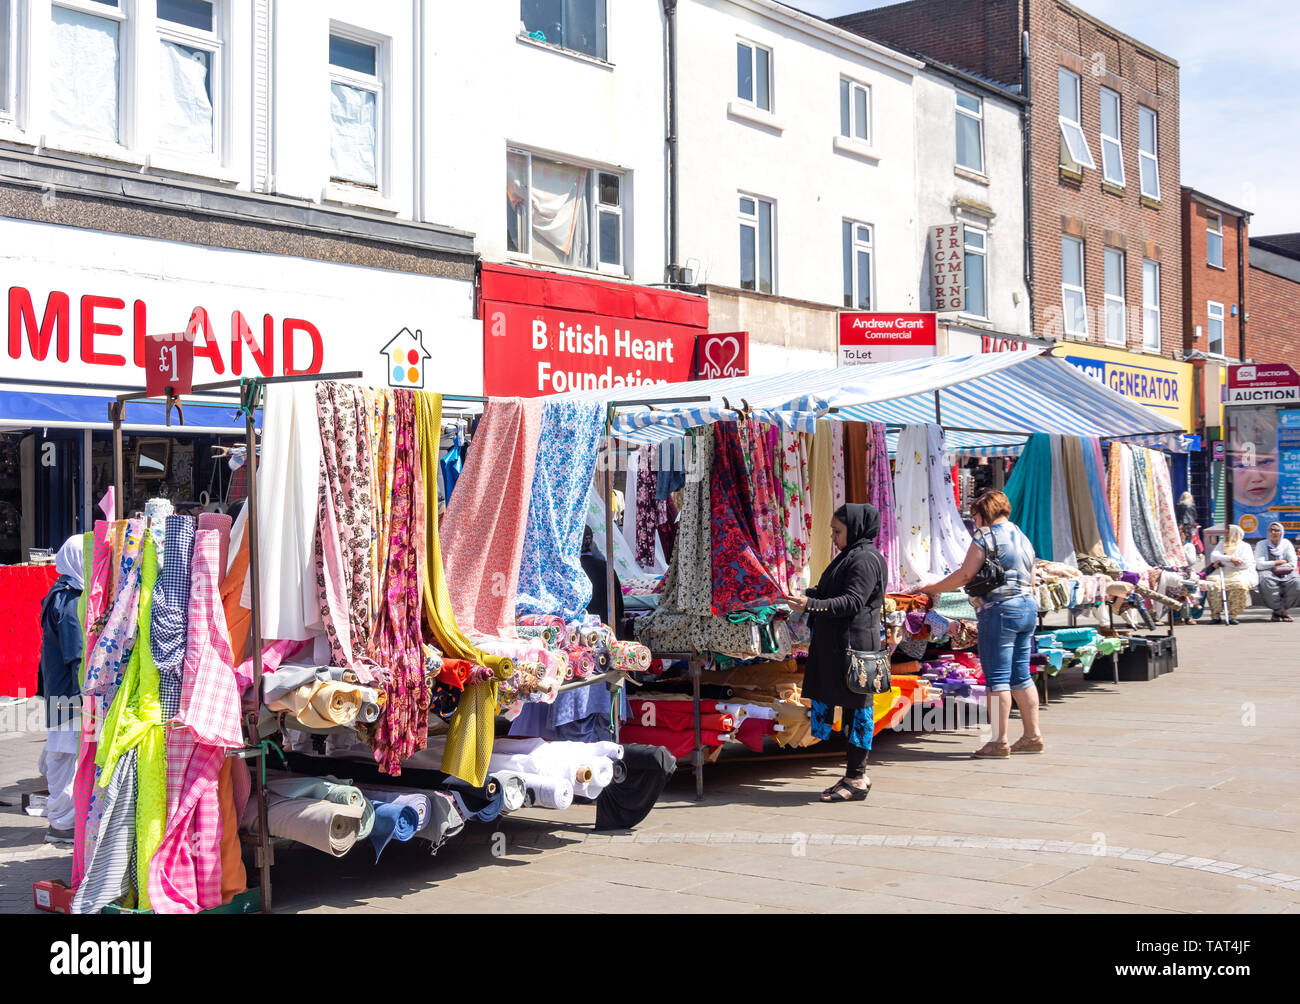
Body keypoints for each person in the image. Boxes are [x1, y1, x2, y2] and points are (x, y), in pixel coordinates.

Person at [920, 490, 1043, 758]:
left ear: (983, 512)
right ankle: (1032, 736)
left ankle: (998, 741)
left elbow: (965, 574)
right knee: (1021, 675)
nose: (974, 521)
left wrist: (932, 587)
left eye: (974, 515)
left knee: (997, 678)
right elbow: (1031, 579)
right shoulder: (1022, 537)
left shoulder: (986, 536)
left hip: (999, 611)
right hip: (1027, 608)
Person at [786, 504, 885, 802]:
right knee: (852, 710)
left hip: (855, 650)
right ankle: (854, 776)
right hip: (842, 648)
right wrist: (806, 595)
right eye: (832, 530)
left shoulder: (865, 559)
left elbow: (852, 602)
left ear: (855, 529)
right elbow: (831, 591)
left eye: (837, 531)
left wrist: (810, 605)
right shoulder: (850, 557)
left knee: (858, 712)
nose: (833, 536)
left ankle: (856, 777)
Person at [36, 535, 84, 845]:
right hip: (69, 692)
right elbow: (75, 653)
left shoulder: (60, 592)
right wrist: (87, 695)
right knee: (66, 755)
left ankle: (61, 818)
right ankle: (63, 824)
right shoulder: (69, 601)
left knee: (62, 752)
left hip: (60, 689)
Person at [1205, 524, 1258, 624]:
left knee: (1239, 585)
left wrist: (1222, 560)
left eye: (1228, 533)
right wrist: (1230, 559)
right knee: (1213, 584)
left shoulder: (1244, 546)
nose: (1225, 535)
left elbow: (1245, 563)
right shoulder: (1222, 544)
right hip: (1223, 571)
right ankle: (1215, 615)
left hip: (1239, 572)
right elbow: (1213, 556)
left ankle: (1232, 615)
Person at [580, 525, 626, 637]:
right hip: (611, 635)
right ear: (592, 544)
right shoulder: (607, 568)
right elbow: (620, 609)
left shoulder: (573, 570)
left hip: (586, 636)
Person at [1254, 522, 1299, 622]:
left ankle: (1279, 611)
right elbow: (1260, 564)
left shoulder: (1286, 544)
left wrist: (1273, 565)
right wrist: (1279, 562)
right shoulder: (1262, 544)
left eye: (1276, 530)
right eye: (1271, 530)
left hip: (1286, 571)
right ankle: (1281, 611)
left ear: (1281, 532)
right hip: (1267, 572)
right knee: (1266, 580)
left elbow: (1292, 564)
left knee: (1297, 582)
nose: (1273, 532)